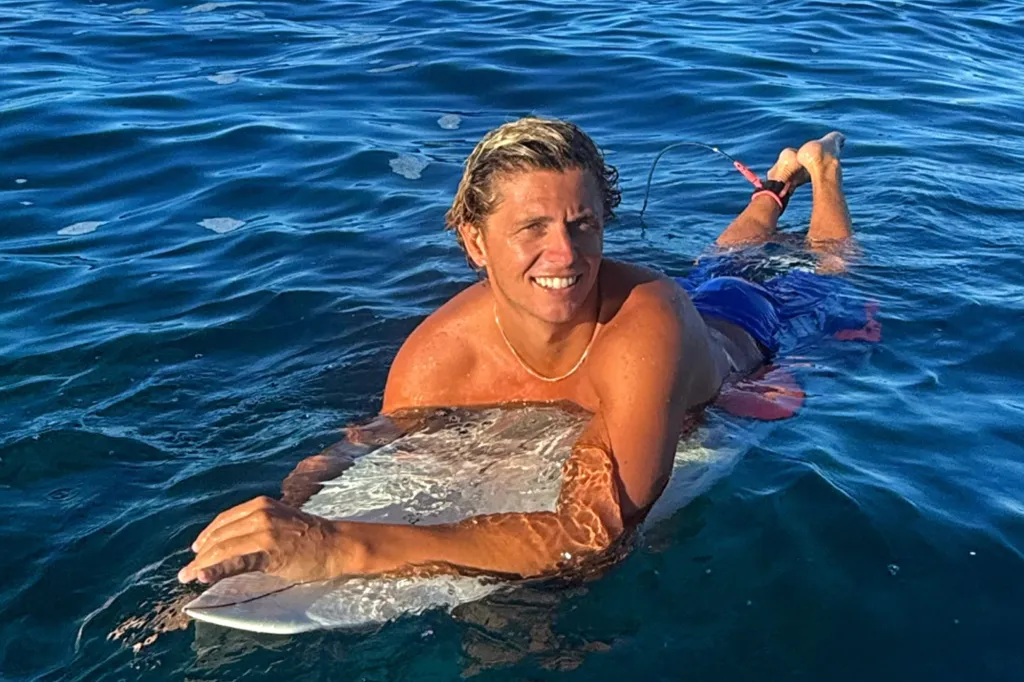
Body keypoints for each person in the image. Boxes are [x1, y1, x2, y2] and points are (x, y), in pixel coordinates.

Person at [178, 118, 868, 586]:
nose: (564, 255)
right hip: (700, 298)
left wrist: (344, 547)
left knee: (824, 269)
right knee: (724, 259)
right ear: (474, 241)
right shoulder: (437, 356)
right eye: (531, 227)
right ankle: (776, 187)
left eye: (582, 224)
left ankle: (823, 171)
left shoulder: (643, 326)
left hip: (759, 331)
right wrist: (290, 511)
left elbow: (595, 534)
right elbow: (362, 451)